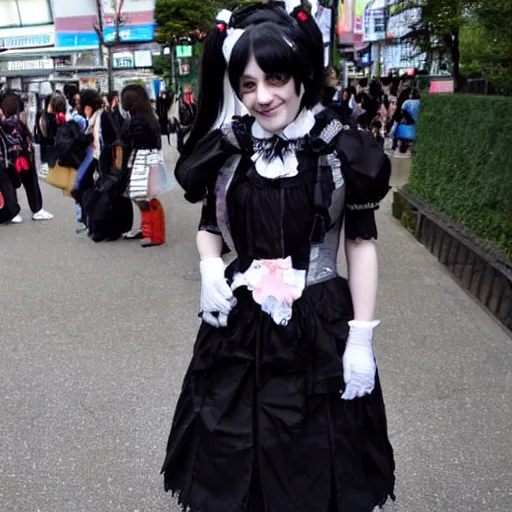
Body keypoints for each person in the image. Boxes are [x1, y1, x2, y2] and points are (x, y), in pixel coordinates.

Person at [161, 3, 395, 511]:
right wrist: (207, 266)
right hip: (241, 329)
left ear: (301, 77)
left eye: (275, 78)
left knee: (315, 456)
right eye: (247, 85)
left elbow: (360, 243)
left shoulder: (339, 152)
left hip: (319, 325)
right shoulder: (230, 150)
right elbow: (209, 227)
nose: (262, 97)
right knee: (234, 453)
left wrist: (361, 337)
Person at [120, 84, 165, 247]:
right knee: (146, 197)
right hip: (151, 159)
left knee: (142, 197)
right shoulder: (149, 117)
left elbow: (125, 139)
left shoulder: (136, 120)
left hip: (142, 160)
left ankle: (150, 233)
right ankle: (152, 231)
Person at [0, 91, 53, 223]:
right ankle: (37, 209)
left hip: (7, 159)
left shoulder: (4, 123)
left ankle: (13, 212)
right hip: (21, 157)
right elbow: (25, 139)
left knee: (8, 186)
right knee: (30, 182)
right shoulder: (18, 123)